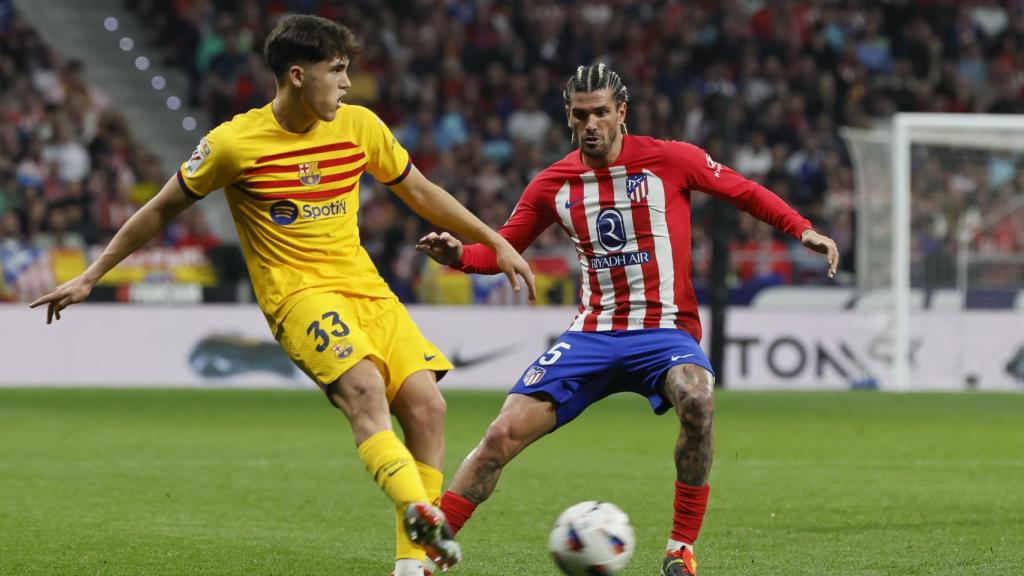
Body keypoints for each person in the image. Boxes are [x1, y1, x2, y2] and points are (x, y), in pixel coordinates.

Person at [29, 15, 536, 576]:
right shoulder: (232, 144)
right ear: (298, 75)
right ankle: (417, 507)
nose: (348, 83)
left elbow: (419, 190)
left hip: (367, 288)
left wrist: (493, 240)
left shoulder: (359, 126)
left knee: (428, 406)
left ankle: (412, 565)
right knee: (364, 390)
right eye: (337, 71)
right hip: (298, 295)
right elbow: (160, 210)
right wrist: (93, 273)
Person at [417, 63, 838, 576]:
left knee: (699, 400)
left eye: (600, 113)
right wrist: (460, 255)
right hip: (591, 334)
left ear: (622, 112)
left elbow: (745, 191)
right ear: (569, 119)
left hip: (664, 332)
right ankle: (426, 557)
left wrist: (803, 231)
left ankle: (680, 547)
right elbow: (503, 250)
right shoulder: (554, 183)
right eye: (580, 115)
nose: (590, 124)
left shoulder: (672, 159)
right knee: (500, 435)